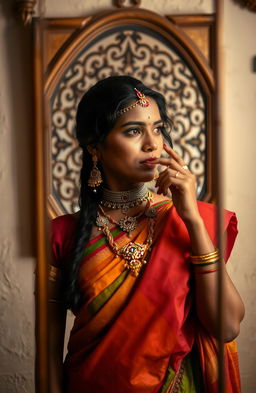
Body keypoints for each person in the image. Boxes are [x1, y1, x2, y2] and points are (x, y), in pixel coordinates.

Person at [49, 75, 245, 393]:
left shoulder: (189, 220)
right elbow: (47, 361)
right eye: (134, 131)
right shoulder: (62, 235)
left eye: (157, 129)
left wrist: (192, 219)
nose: (153, 144)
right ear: (95, 146)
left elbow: (226, 326)